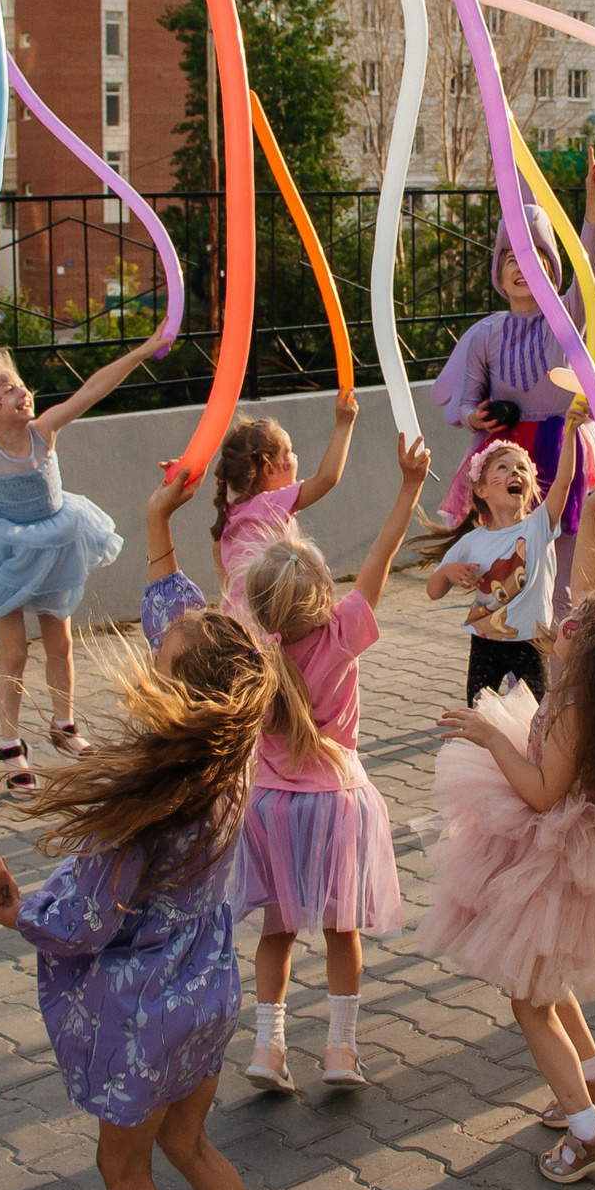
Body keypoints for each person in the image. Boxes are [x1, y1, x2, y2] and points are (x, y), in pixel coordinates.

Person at [0, 611, 314, 1190]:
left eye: (162, 656)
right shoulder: (233, 759)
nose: (150, 656)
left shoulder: (153, 798)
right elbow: (203, 634)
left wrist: (16, 913)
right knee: (191, 1142)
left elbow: (87, 921)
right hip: (208, 993)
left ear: (182, 693)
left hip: (146, 1013)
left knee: (124, 1169)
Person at [415, 450, 595, 1183]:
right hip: (562, 843)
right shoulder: (590, 675)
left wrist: (486, 736)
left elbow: (540, 793)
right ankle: (594, 1075)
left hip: (550, 851)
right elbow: (588, 579)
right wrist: (593, 513)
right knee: (542, 978)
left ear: (589, 649)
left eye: (581, 619)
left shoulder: (572, 707)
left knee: (529, 1000)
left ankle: (588, 1128)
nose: (569, 611)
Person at [237, 436, 433, 1092]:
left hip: (268, 806)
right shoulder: (345, 630)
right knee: (340, 931)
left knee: (278, 930)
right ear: (323, 594)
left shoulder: (252, 654)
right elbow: (380, 554)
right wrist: (409, 486)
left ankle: (268, 1049)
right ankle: (340, 1052)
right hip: (336, 803)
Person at [430, 152, 595, 617]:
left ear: (551, 266)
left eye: (533, 255)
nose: (521, 267)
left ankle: (563, 661)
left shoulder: (566, 317)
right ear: (498, 269)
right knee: (510, 567)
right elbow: (464, 404)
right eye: (511, 256)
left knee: (565, 571)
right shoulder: (486, 334)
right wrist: (477, 416)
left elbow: (588, 269)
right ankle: (510, 648)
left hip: (564, 447)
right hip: (508, 457)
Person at [0, 341, 158, 788]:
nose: (21, 392)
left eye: (19, 385)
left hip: (56, 547)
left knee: (61, 645)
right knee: (14, 652)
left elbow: (92, 391)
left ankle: (63, 726)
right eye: (5, 390)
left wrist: (144, 351)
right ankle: (12, 745)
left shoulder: (44, 431)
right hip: (7, 554)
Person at [416, 435, 580, 704]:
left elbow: (564, 480)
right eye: (503, 467)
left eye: (522, 468)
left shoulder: (539, 525)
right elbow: (433, 592)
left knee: (537, 714)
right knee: (479, 712)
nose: (515, 471)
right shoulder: (472, 541)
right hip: (486, 643)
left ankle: (531, 748)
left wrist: (571, 431)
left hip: (533, 642)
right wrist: (446, 573)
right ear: (482, 490)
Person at [206, 397, 358, 624]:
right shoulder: (270, 504)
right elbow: (327, 478)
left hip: (239, 622)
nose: (295, 457)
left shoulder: (230, 516)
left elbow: (223, 568)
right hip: (272, 621)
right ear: (269, 470)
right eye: (288, 453)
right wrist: (344, 424)